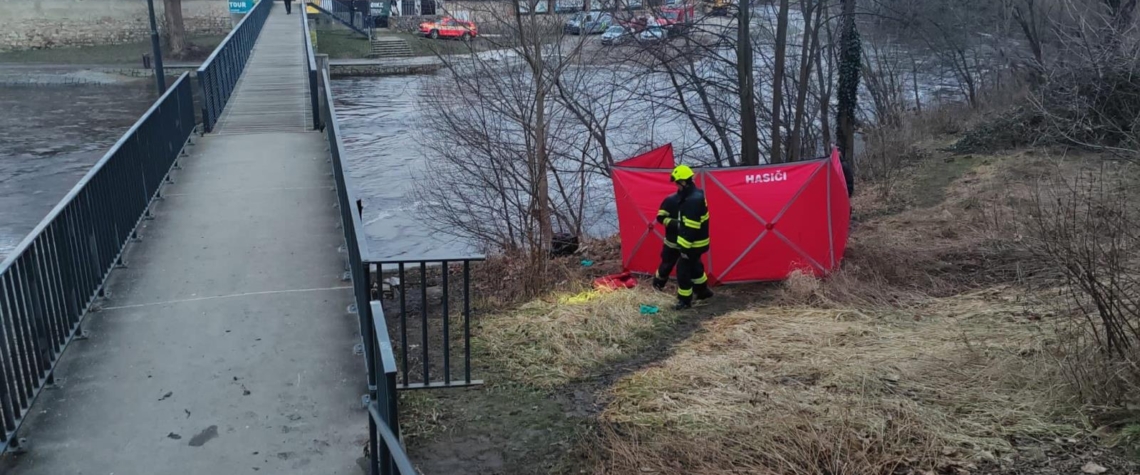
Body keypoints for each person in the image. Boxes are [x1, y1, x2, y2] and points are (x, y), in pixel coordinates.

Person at [668, 165, 713, 310]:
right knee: (695, 265)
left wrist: (684, 248)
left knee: (682, 270)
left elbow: (691, 227)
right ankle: (703, 291)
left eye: (677, 183)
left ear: (683, 182)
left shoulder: (691, 201)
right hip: (700, 242)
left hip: (693, 244)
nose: (676, 186)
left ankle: (684, 301)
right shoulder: (696, 194)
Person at [650, 189, 682, 292]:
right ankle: (657, 287)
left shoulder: (696, 199)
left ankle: (699, 292)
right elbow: (660, 218)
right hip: (672, 243)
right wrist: (676, 224)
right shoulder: (670, 200)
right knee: (666, 267)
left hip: (690, 243)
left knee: (693, 268)